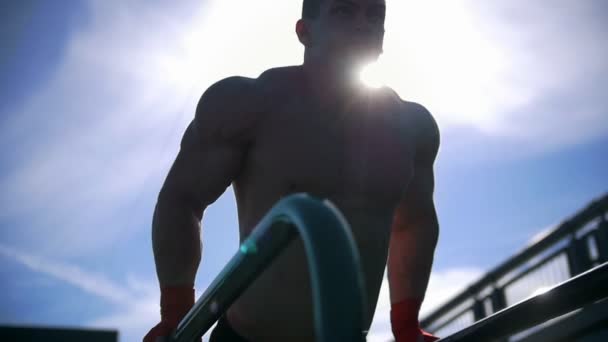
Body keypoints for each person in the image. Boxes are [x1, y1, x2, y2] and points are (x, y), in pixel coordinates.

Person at [144, 0, 440, 341]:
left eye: (374, 14)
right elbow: (182, 200)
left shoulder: (412, 127)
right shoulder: (246, 103)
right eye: (344, 10)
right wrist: (177, 315)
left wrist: (405, 323)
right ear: (305, 31)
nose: (364, 23)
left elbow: (413, 222)